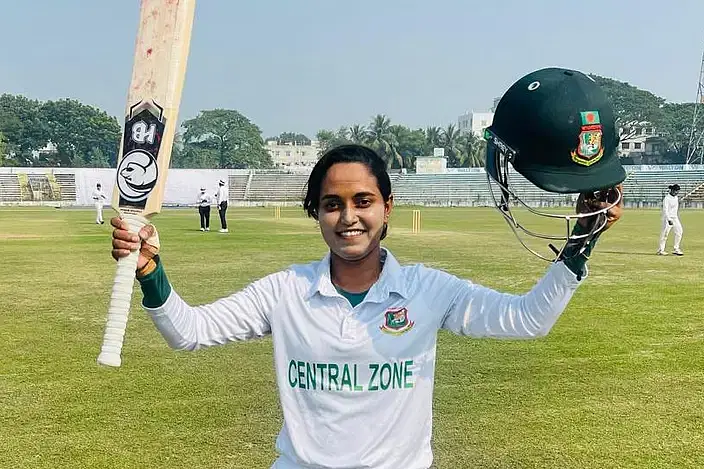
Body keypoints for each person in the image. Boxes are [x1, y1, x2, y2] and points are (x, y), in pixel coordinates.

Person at [109, 69, 625, 469]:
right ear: (316, 212)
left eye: (363, 200)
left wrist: (583, 239)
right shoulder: (284, 291)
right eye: (332, 204)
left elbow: (528, 320)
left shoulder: (427, 289)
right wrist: (151, 270)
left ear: (387, 206)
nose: (349, 217)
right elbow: (189, 333)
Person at [658, 184, 683, 256]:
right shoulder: (667, 198)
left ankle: (676, 249)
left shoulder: (676, 198)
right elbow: (665, 210)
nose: (676, 193)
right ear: (672, 190)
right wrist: (668, 219)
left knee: (679, 232)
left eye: (677, 191)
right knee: (665, 234)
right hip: (667, 218)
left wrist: (674, 217)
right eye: (675, 191)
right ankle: (661, 250)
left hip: (675, 217)